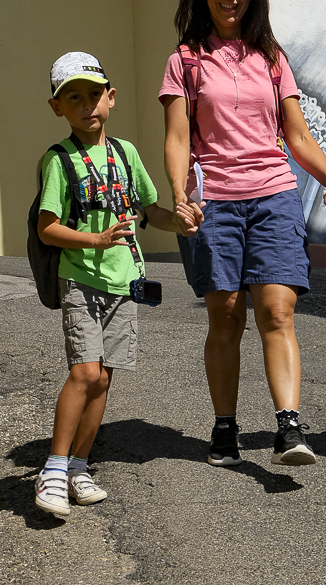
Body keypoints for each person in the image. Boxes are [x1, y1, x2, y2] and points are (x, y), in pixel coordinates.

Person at [160, 0, 326, 469]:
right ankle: (225, 425)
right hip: (215, 202)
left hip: (274, 196)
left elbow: (297, 135)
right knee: (226, 316)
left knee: (277, 310)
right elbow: (177, 138)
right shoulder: (185, 61)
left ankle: (288, 426)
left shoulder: (271, 57)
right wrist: (179, 194)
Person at [35, 52, 189, 519]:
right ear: (57, 107)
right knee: (84, 373)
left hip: (124, 283)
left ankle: (79, 466)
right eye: (73, 98)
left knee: (103, 378)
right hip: (81, 280)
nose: (87, 105)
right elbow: (48, 228)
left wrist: (181, 221)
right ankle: (53, 470)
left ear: (111, 97)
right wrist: (96, 240)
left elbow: (150, 211)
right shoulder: (59, 160)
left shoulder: (126, 154)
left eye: (94, 94)